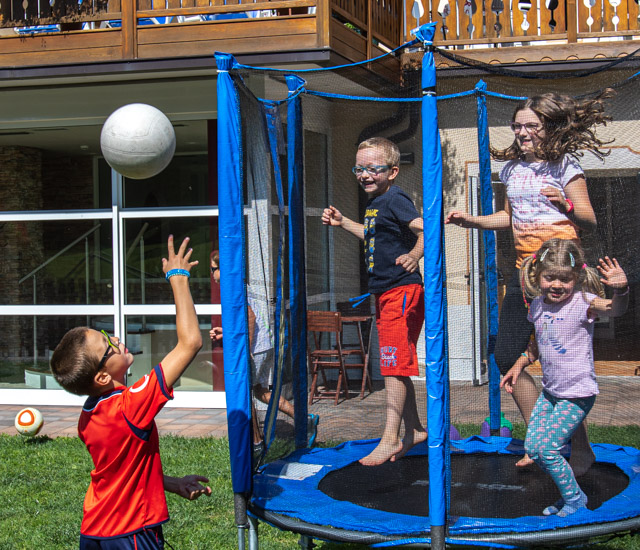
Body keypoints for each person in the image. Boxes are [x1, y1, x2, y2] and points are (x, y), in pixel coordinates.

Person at [446, 89, 613, 474]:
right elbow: (509, 216)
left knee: (560, 368)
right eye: (518, 125)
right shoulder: (512, 170)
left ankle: (580, 446)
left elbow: (588, 217)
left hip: (561, 279)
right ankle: (543, 434)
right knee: (507, 356)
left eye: (531, 126)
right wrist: (472, 221)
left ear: (547, 127)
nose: (522, 132)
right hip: (525, 278)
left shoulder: (564, 167)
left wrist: (564, 205)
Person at [50, 235, 212, 550]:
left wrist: (172, 485)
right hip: (130, 534)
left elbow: (121, 473)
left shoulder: (88, 417)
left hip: (95, 532)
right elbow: (190, 342)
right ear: (100, 376)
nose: (115, 339)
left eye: (107, 334)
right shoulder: (130, 406)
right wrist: (177, 278)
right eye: (107, 346)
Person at [501, 238, 629, 517]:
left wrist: (621, 291)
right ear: (538, 276)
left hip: (577, 394)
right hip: (551, 393)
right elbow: (536, 346)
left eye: (565, 279)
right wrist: (518, 366)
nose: (557, 285)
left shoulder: (583, 303)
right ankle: (569, 490)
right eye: (550, 278)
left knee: (548, 449)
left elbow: (615, 309)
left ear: (576, 277)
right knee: (534, 449)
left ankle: (574, 499)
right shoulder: (537, 306)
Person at [322, 136, 426, 466]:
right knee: (396, 366)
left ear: (393, 171)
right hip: (385, 293)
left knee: (392, 367)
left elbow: (427, 229)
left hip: (401, 291)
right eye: (359, 168)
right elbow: (374, 235)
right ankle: (416, 430)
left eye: (373, 169)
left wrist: (413, 255)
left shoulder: (395, 199)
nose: (364, 174)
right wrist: (343, 223)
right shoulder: (375, 204)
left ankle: (390, 437)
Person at [208, 250, 318, 452]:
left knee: (244, 394)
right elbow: (246, 319)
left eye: (213, 269)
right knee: (260, 391)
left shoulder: (233, 287)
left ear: (222, 269)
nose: (212, 275)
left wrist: (246, 349)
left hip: (255, 348)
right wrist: (226, 332)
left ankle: (256, 442)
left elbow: (250, 317)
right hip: (263, 344)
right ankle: (304, 419)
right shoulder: (237, 284)